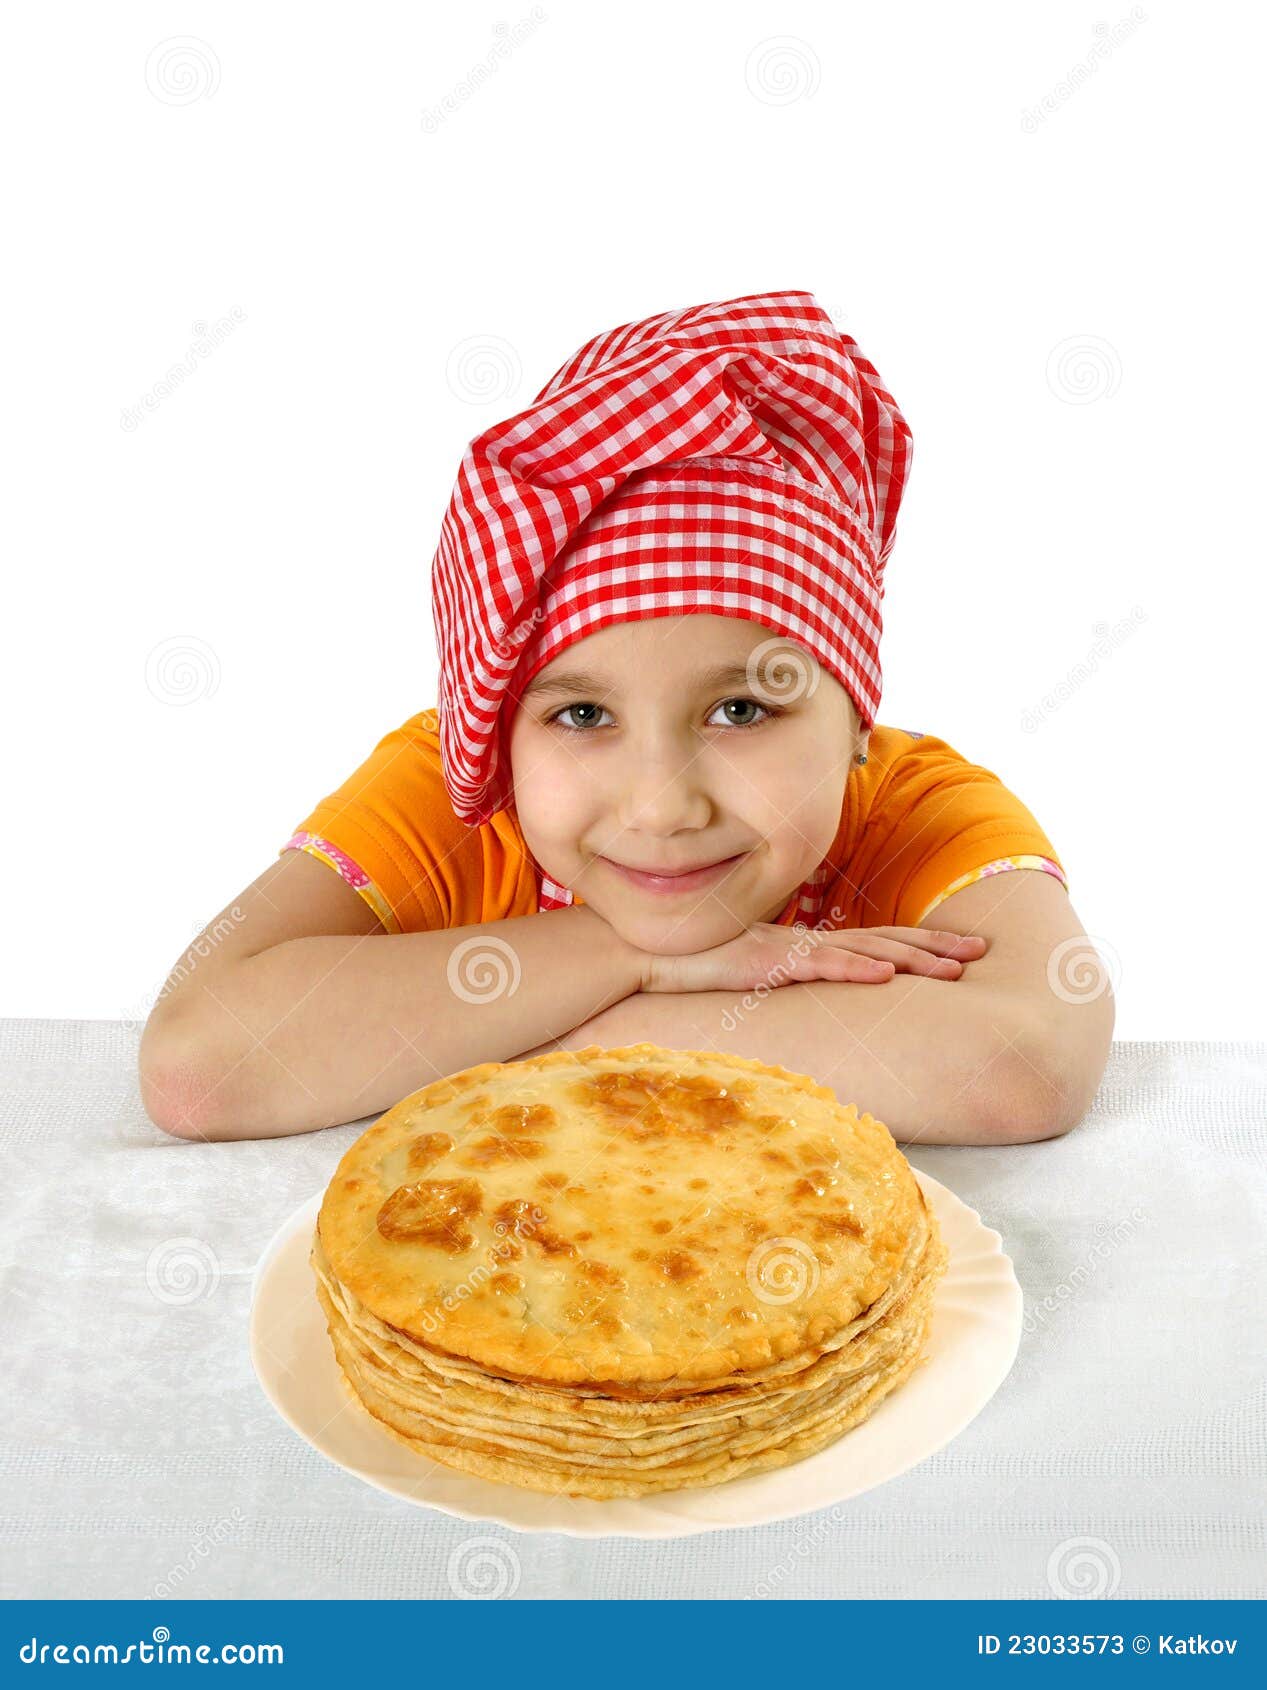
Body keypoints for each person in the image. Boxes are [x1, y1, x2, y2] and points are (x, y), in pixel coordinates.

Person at [139, 290, 1112, 1144]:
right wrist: (629, 957)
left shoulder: (914, 809)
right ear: (495, 723)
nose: (660, 807)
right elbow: (196, 1069)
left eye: (740, 708)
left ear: (857, 714)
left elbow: (1022, 1070)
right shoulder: (444, 792)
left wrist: (515, 1032)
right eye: (580, 714)